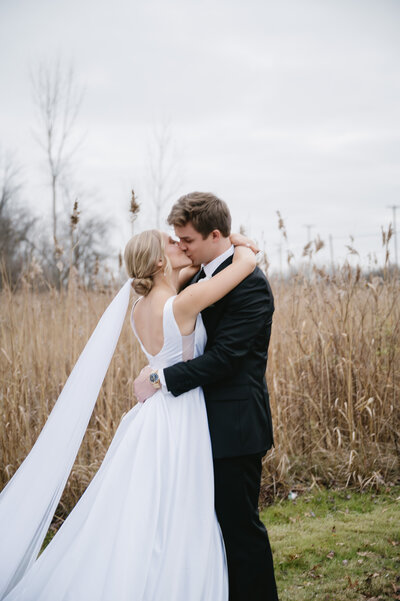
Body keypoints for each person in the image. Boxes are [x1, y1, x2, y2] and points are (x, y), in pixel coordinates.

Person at [0, 227, 257, 601]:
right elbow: (244, 265)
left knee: (147, 508)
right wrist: (235, 241)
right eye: (172, 242)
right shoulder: (182, 304)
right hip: (180, 415)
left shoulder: (141, 307)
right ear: (157, 260)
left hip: (151, 414)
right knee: (181, 505)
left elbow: (180, 276)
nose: (180, 244)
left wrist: (199, 248)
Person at [134, 192, 279, 601]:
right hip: (191, 428)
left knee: (238, 528)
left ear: (215, 235)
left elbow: (225, 360)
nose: (181, 246)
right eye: (176, 240)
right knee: (200, 529)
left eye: (187, 240)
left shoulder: (250, 285)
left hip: (233, 428)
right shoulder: (197, 279)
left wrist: (160, 379)